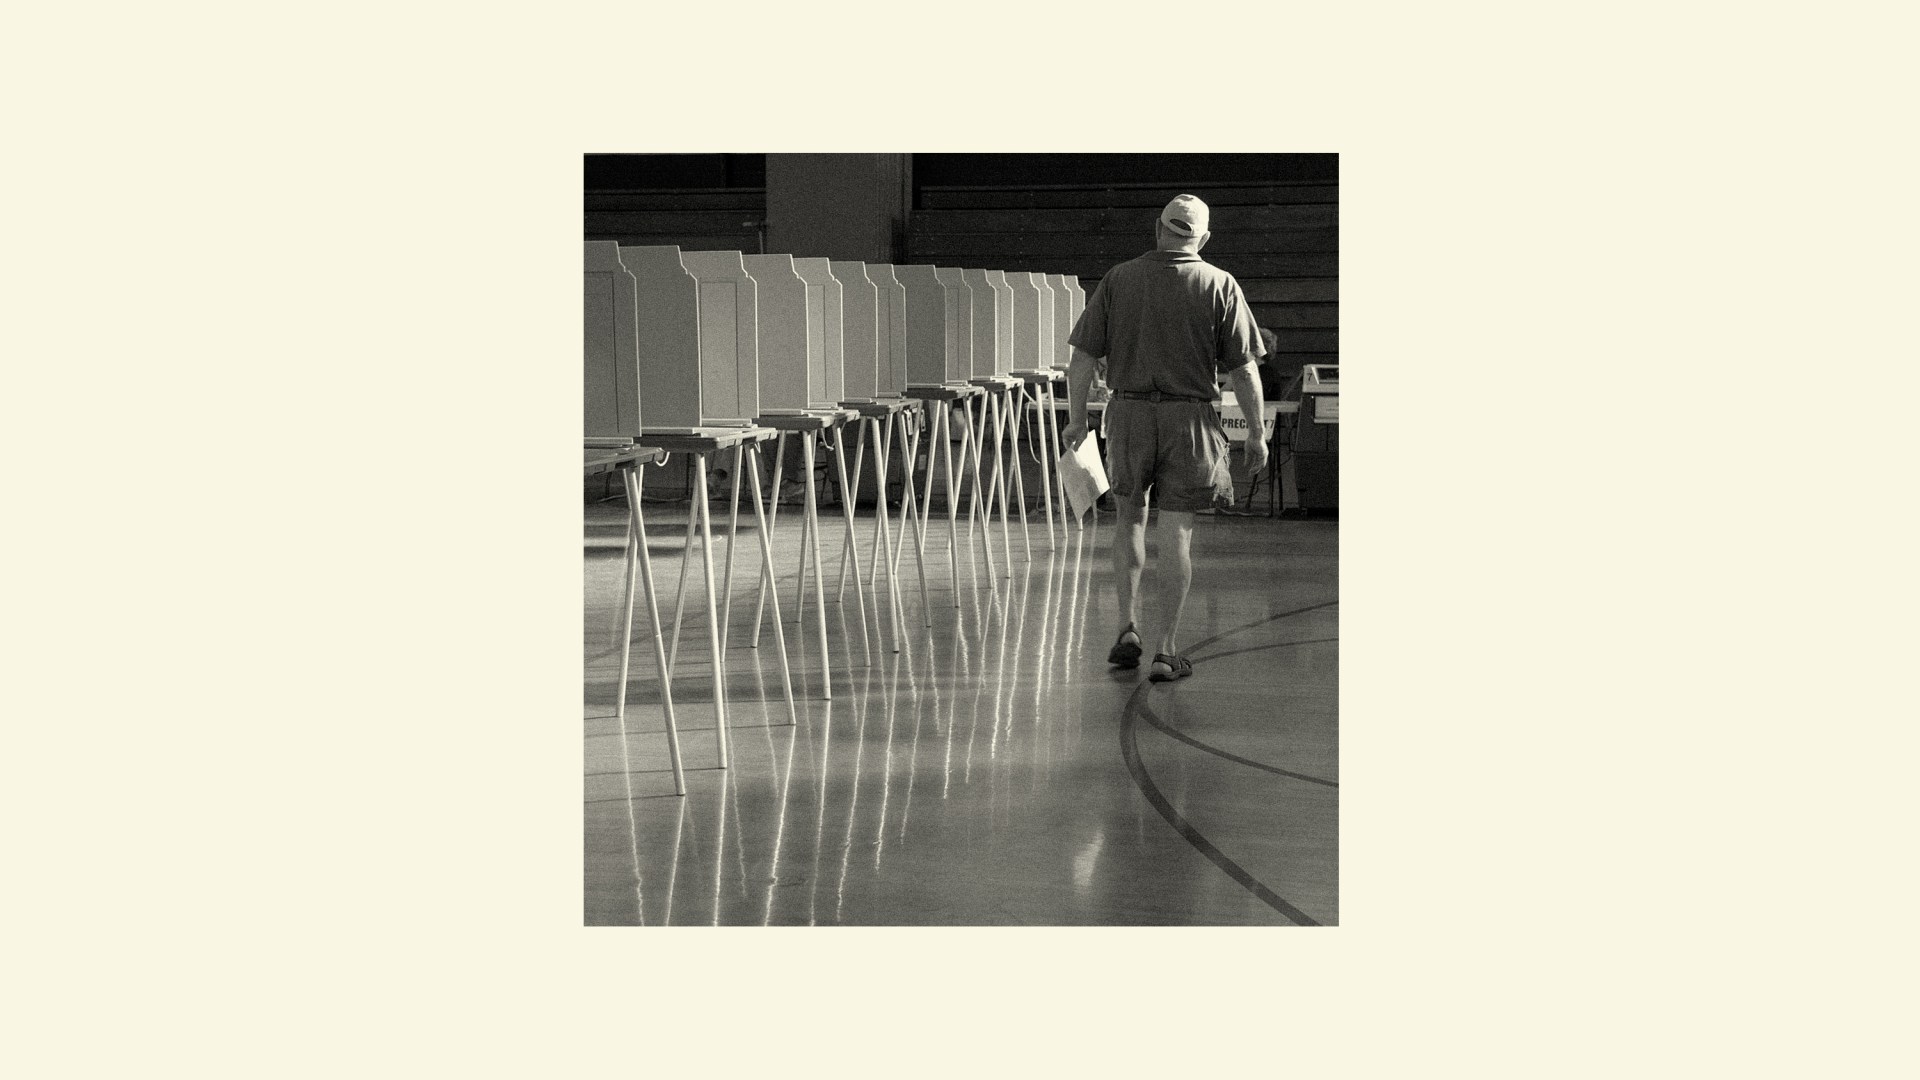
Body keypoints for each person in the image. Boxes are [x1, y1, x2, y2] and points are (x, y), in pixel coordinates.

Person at [1060, 194, 1269, 683]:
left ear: (1158, 227)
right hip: (1190, 419)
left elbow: (1082, 361)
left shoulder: (1118, 279)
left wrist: (1075, 420)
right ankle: (1166, 650)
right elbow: (1244, 371)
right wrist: (1256, 433)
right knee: (1176, 533)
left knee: (1129, 522)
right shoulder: (1220, 284)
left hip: (1128, 415)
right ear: (1205, 238)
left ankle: (1127, 626)